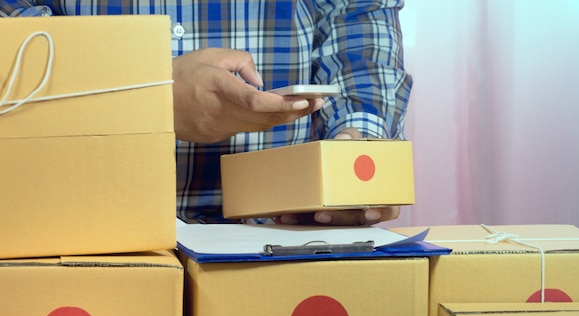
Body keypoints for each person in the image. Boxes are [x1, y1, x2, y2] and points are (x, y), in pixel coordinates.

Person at [1, 0, 412, 226]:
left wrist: (355, 151)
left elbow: (358, 22)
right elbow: (16, 39)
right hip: (73, 226)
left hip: (286, 233)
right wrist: (147, 95)